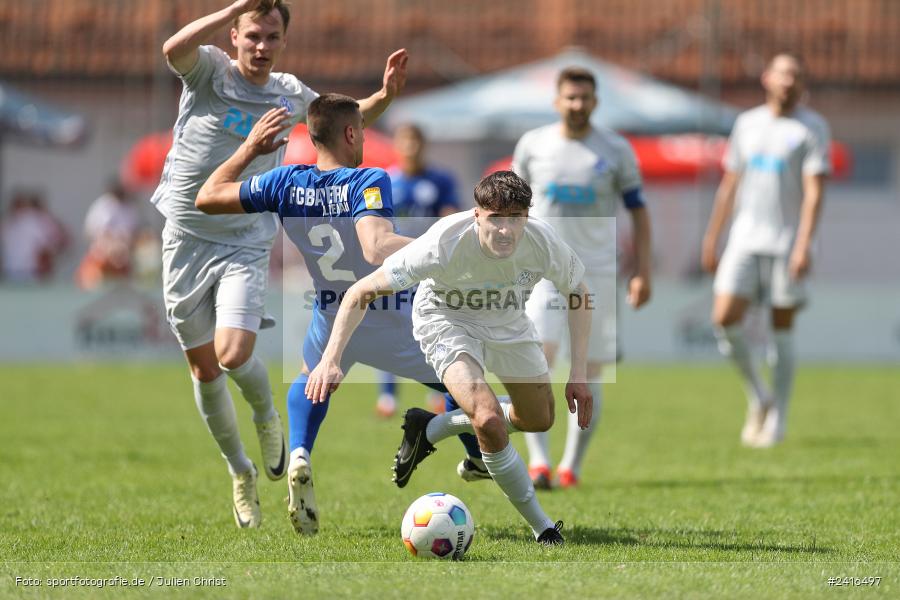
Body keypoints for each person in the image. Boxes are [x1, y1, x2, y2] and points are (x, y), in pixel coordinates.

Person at [151, 0, 408, 528]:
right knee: (202, 370)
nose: (262, 47)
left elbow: (342, 122)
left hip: (245, 238)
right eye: (252, 36)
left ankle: (269, 418)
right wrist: (236, 6)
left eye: (271, 37)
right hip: (185, 237)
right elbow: (171, 50)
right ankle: (240, 471)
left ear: (283, 41)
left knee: (232, 353)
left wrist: (383, 96)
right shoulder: (208, 71)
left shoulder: (289, 93)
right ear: (234, 35)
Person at [196, 94, 470, 536]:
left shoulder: (283, 182)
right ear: (349, 134)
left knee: (310, 375)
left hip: (329, 312)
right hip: (389, 312)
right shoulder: (367, 180)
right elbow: (376, 247)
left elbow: (207, 197)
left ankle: (300, 451)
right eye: (361, 128)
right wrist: (450, 252)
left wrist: (249, 149)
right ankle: (478, 458)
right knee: (462, 384)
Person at [305, 171, 596, 545]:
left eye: (516, 219)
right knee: (488, 418)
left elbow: (580, 293)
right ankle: (543, 528)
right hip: (445, 320)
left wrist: (580, 372)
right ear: (477, 215)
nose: (505, 230)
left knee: (539, 420)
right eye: (495, 219)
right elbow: (362, 290)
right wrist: (331, 357)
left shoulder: (543, 241)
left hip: (509, 323)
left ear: (527, 217)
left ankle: (430, 428)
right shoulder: (443, 241)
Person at [512, 67, 652, 489]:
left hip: (598, 273)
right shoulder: (533, 145)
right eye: (570, 97)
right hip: (543, 272)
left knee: (588, 370)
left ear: (596, 101)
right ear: (557, 101)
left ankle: (570, 465)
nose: (577, 104)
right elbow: (512, 209)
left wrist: (642, 270)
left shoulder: (615, 149)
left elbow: (639, 211)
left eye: (584, 98)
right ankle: (538, 462)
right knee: (536, 361)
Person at [701, 53, 829, 448]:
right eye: (782, 73)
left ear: (802, 82)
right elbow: (730, 184)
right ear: (767, 78)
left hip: (786, 243)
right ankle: (760, 395)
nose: (788, 81)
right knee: (724, 319)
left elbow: (814, 192)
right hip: (744, 239)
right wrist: (712, 237)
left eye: (796, 74)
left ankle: (779, 420)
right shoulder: (747, 123)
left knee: (781, 329)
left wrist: (804, 244)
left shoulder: (812, 128)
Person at [375, 123, 461, 418]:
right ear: (396, 145)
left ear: (423, 145)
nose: (410, 146)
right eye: (405, 140)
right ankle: (387, 397)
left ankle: (436, 390)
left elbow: (451, 218)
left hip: (429, 266)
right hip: (395, 265)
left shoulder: (440, 180)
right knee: (392, 328)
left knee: (432, 326)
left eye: (416, 140)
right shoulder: (385, 181)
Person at [77, 179, 143, 289]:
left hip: (123, 258)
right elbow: (92, 232)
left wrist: (123, 248)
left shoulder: (131, 208)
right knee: (92, 282)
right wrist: (109, 248)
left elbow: (134, 234)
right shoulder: (102, 205)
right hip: (101, 256)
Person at [1, 190, 68, 283]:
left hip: (27, 274)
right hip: (16, 274)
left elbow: (59, 241)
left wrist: (48, 259)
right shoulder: (9, 223)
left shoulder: (31, 221)